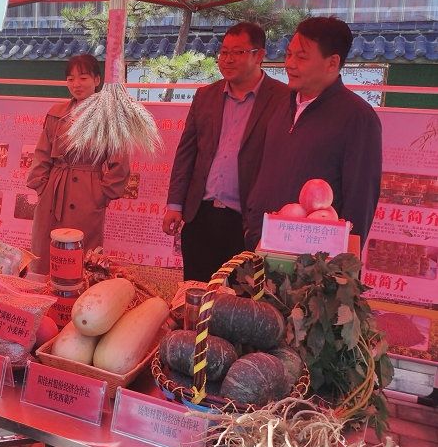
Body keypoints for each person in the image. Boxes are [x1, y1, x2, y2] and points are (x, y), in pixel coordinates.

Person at [162, 22, 290, 281]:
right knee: (196, 289)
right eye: (224, 52)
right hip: (201, 215)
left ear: (259, 55)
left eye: (238, 52)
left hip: (247, 221)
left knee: (239, 295)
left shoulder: (283, 98)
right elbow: (186, 153)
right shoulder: (205, 96)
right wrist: (174, 204)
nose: (228, 59)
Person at [245, 16, 382, 249]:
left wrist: (340, 263)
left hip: (311, 257)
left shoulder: (358, 117)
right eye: (289, 54)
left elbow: (360, 201)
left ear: (332, 63)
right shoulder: (281, 105)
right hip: (262, 243)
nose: (290, 64)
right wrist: (251, 222)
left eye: (301, 57)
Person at [26, 54, 130, 274]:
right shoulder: (56, 113)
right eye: (70, 79)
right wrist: (41, 187)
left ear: (97, 80)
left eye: (83, 78)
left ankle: (81, 295)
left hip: (87, 194)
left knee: (83, 255)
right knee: (46, 251)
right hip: (53, 193)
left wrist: (101, 194)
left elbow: (120, 162)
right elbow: (42, 153)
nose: (76, 84)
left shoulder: (109, 117)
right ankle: (45, 294)